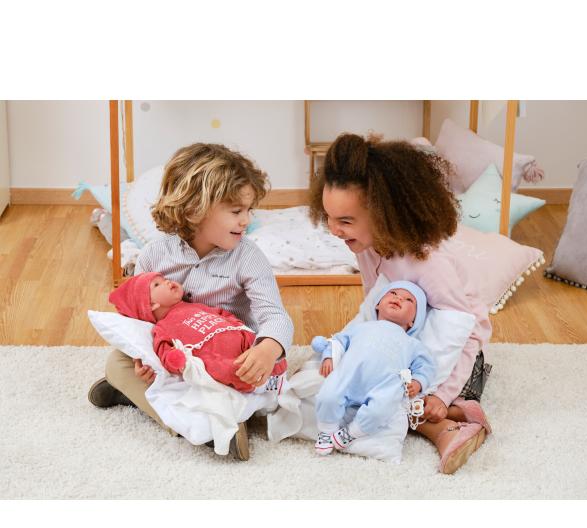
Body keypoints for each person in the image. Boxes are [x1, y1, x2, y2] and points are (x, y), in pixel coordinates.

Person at [88, 143, 294, 460]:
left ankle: (137, 397)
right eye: (236, 211)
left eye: (249, 210)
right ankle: (204, 429)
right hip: (175, 357)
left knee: (248, 387)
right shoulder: (155, 254)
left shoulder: (248, 257)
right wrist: (142, 356)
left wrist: (267, 350)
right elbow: (139, 318)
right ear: (196, 209)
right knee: (118, 363)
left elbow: (275, 316)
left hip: (225, 362)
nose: (246, 220)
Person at [309, 132, 493, 474]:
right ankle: (453, 413)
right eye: (329, 217)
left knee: (394, 401)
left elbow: (463, 333)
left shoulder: (429, 262)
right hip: (404, 339)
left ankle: (452, 424)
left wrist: (440, 395)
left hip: (457, 353)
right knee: (344, 386)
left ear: (383, 214)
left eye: (345, 221)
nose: (334, 229)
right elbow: (374, 312)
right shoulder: (367, 246)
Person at [311, 280, 435, 456]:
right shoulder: (361, 328)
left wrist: (418, 382)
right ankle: (326, 431)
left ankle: (351, 433)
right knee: (328, 395)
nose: (399, 298)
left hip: (384, 386)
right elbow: (338, 340)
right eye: (393, 293)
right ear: (378, 304)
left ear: (413, 320)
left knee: (381, 410)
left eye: (409, 300)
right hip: (349, 376)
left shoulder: (412, 344)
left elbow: (426, 366)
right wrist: (329, 355)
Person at [108, 271, 287, 393]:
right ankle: (257, 387)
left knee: (259, 347)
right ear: (151, 305)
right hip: (213, 354)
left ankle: (274, 380)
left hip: (233, 333)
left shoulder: (195, 306)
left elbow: (220, 313)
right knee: (218, 368)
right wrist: (174, 359)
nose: (167, 281)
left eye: (164, 279)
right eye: (157, 284)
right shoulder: (162, 327)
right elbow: (163, 350)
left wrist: (236, 324)